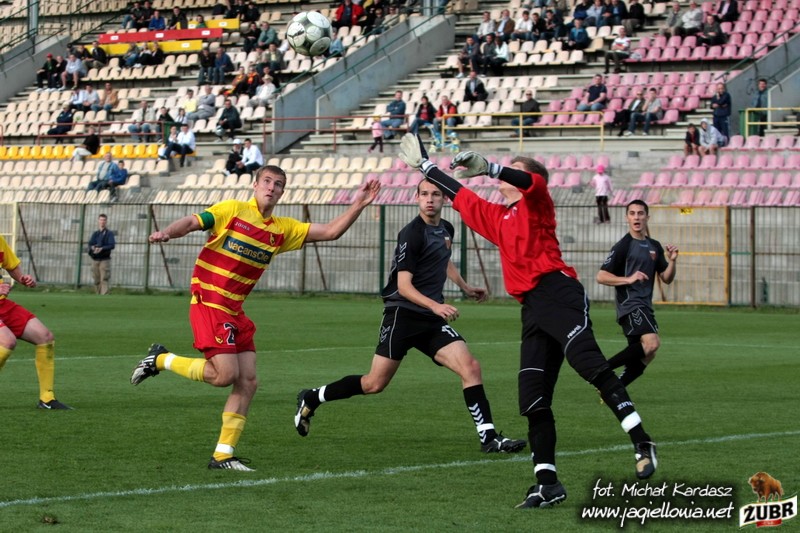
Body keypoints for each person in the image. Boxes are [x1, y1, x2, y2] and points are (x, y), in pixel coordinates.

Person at [397, 133, 658, 508]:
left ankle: (641, 441)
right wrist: (425, 166)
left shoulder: (537, 202)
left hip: (558, 292)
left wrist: (492, 168)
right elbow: (459, 193)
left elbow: (530, 181)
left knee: (587, 363)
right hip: (533, 307)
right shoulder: (497, 217)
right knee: (533, 398)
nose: (507, 175)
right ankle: (547, 484)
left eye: (513, 171)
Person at [130, 167, 381, 471]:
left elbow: (330, 232)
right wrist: (168, 232)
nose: (272, 188)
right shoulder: (233, 210)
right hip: (210, 300)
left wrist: (359, 203)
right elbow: (193, 222)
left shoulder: (281, 229)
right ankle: (161, 360)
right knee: (224, 376)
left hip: (235, 310)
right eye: (267, 182)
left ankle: (223, 455)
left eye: (279, 184)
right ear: (255, 185)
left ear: (283, 192)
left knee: (248, 381)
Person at [294, 178, 527, 455]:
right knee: (374, 384)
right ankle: (312, 397)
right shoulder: (411, 234)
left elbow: (443, 258)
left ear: (444, 199)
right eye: (424, 194)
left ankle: (488, 438)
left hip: (430, 318)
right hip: (402, 315)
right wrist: (436, 306)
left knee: (471, 367)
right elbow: (404, 286)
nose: (430, 199)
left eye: (436, 194)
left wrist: (464, 287)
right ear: (416, 198)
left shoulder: (446, 228)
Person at [597, 200, 678, 386]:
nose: (636, 217)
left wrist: (673, 261)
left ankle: (614, 389)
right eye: (632, 213)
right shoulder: (623, 246)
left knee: (648, 353)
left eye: (640, 213)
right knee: (652, 343)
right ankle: (601, 369)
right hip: (630, 305)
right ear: (627, 218)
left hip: (645, 306)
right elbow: (601, 276)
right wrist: (628, 279)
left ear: (647, 217)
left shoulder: (654, 246)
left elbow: (666, 278)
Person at [0, 236, 71, 410]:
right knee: (7, 341)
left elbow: (11, 266)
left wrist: (23, 278)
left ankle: (47, 399)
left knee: (44, 337)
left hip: (2, 304)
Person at [87, 214, 115, 295]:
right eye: (101, 220)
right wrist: (93, 247)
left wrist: (102, 248)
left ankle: (105, 294)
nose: (102, 222)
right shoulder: (95, 233)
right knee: (96, 279)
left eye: (104, 220)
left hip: (104, 259)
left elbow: (112, 245)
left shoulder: (109, 233)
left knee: (104, 278)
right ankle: (98, 294)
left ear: (106, 221)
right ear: (98, 221)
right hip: (95, 258)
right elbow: (90, 243)